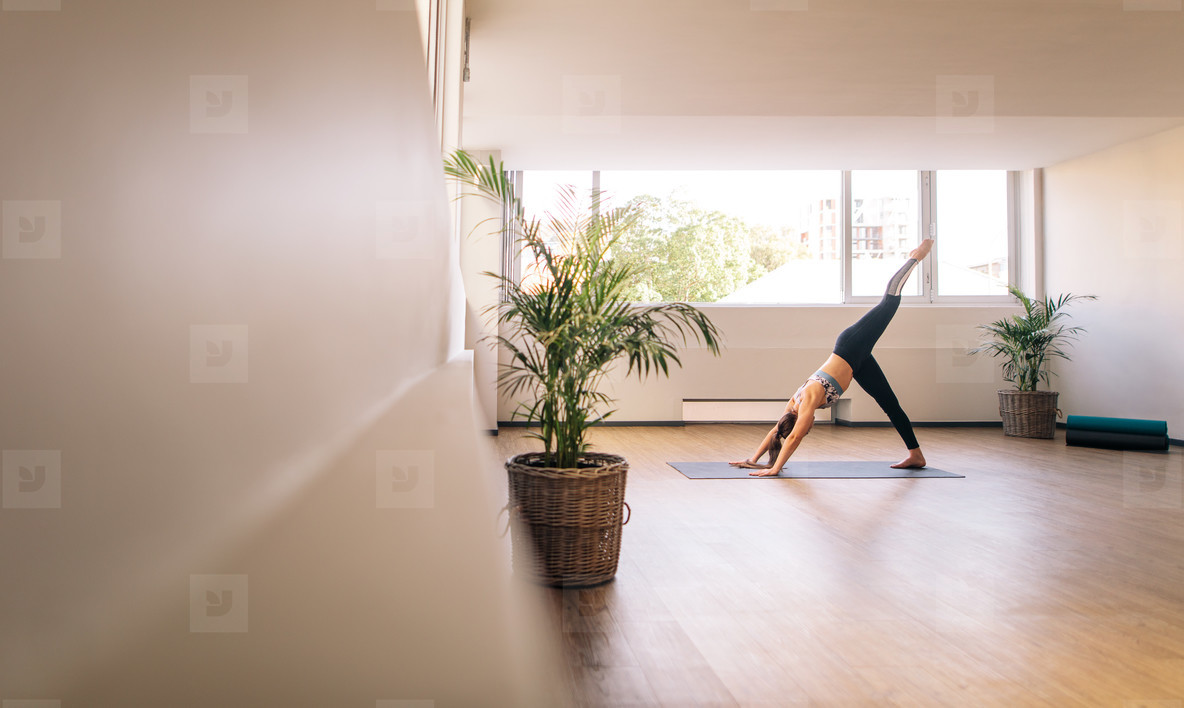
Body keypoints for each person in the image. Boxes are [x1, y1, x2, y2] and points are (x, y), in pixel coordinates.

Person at [730, 239, 934, 476]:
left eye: (807, 428)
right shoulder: (791, 409)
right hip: (858, 363)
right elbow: (777, 432)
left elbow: (794, 436)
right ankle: (916, 455)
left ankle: (915, 256)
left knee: (889, 302)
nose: (809, 428)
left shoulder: (806, 402)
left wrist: (774, 469)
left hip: (851, 345)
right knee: (891, 405)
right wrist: (753, 459)